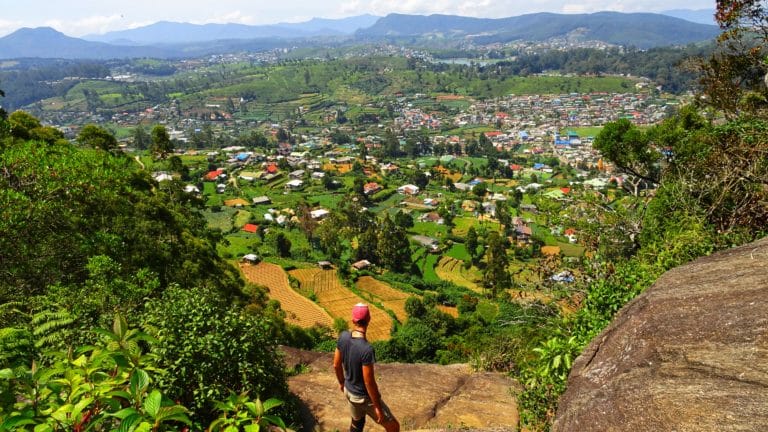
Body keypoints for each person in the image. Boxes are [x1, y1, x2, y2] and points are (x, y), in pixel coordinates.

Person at [333, 303, 400, 432]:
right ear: (369, 319)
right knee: (394, 427)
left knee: (357, 423)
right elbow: (369, 382)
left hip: (349, 391)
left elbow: (336, 364)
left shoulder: (343, 337)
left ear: (353, 320)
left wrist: (342, 383)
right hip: (363, 397)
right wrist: (377, 407)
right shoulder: (366, 349)